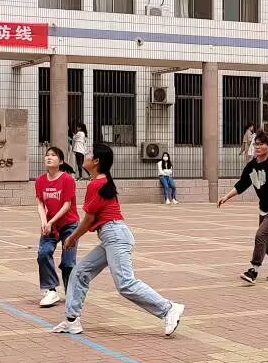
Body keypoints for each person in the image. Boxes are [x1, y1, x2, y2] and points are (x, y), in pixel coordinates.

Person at [53, 143, 185, 337]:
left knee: (125, 283)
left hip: (115, 235)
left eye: (88, 153)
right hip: (111, 236)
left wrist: (72, 238)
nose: (84, 155)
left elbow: (89, 219)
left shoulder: (96, 184)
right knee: (79, 273)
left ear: (96, 161)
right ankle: (72, 321)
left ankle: (169, 309)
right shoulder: (101, 181)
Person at [217, 131, 268, 284]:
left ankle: (253, 270)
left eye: (261, 144)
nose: (257, 147)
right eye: (256, 144)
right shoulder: (251, 166)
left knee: (261, 235)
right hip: (263, 208)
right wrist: (226, 197)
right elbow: (242, 184)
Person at [35, 147, 80, 308]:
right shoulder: (40, 180)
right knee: (43, 253)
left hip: (69, 225)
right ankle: (51, 290)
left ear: (60, 161)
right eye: (47, 155)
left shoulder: (67, 179)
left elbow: (67, 205)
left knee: (68, 263)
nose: (49, 157)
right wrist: (44, 222)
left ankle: (71, 292)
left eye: (53, 155)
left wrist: (50, 221)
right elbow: (40, 204)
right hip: (50, 226)